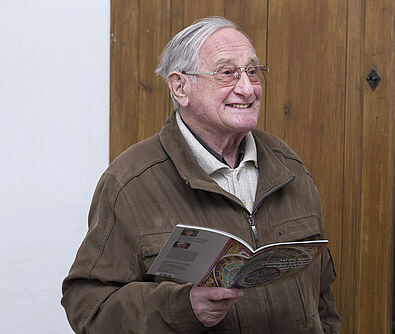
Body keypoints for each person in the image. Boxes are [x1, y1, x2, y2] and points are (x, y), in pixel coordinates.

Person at [61, 16, 342, 333]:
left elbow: (321, 295)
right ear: (180, 86)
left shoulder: (288, 166)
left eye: (252, 72)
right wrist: (184, 307)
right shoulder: (129, 183)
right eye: (227, 73)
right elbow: (88, 306)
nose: (247, 88)